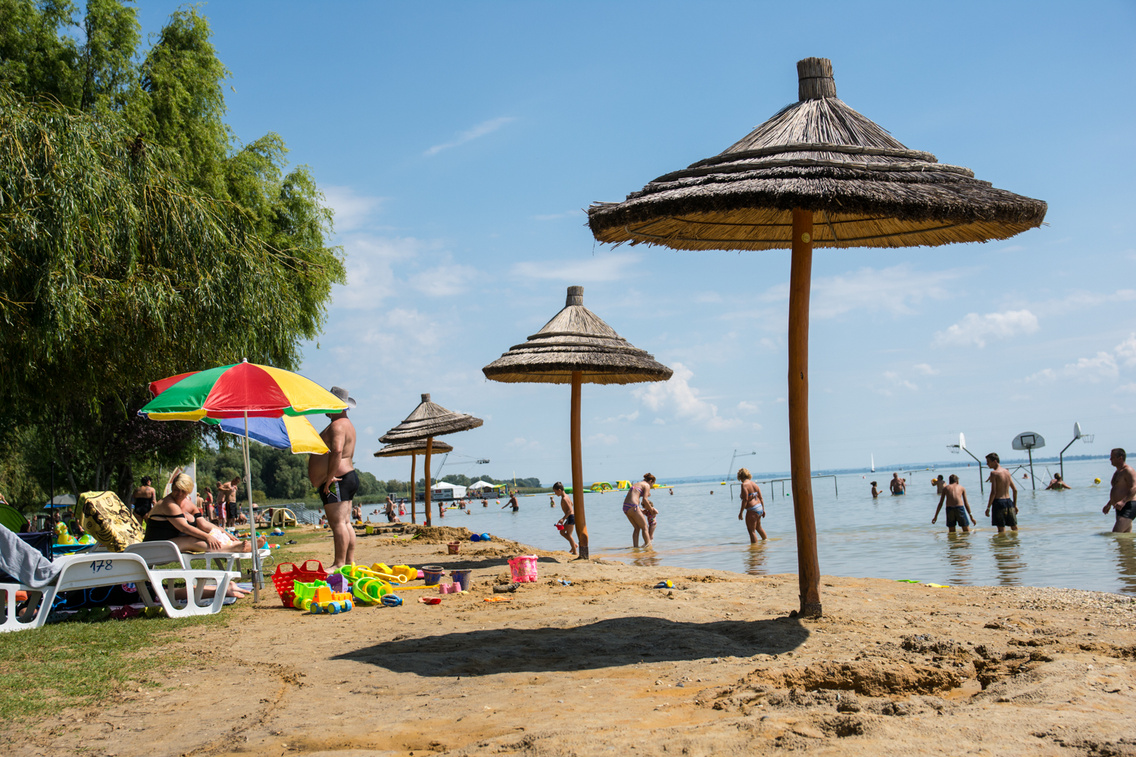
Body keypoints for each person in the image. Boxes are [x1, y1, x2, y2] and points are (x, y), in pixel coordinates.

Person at [143, 474, 262, 553]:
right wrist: (207, 537)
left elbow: (203, 524)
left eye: (183, 491)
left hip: (169, 544)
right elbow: (185, 528)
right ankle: (231, 548)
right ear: (172, 487)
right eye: (176, 490)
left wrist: (223, 532)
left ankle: (239, 544)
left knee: (207, 534)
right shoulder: (168, 504)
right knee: (190, 539)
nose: (179, 494)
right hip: (154, 548)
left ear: (188, 491)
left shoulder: (187, 503)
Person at [308, 386, 358, 570]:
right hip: (347, 476)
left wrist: (329, 478)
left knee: (338, 524)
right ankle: (349, 562)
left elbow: (337, 451)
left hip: (338, 478)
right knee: (345, 523)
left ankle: (339, 563)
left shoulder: (337, 425)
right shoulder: (347, 425)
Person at [1103, 448, 1136, 533]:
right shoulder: (1117, 472)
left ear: (1120, 458)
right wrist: (1109, 504)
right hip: (1119, 507)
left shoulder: (1128, 470)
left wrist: (1123, 501)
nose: (1110, 459)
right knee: (1125, 539)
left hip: (1129, 505)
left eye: (1112, 457)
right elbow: (1118, 491)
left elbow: (1134, 487)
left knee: (1116, 534)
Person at [984, 452, 1019, 533]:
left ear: (995, 461)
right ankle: (1015, 544)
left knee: (1001, 529)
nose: (987, 464)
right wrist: (1015, 505)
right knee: (1014, 527)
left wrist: (988, 507)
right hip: (1009, 502)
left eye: (988, 462)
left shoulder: (994, 473)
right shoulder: (1007, 472)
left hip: (999, 502)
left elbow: (993, 492)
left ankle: (1002, 545)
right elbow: (1015, 490)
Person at [622, 473, 656, 547]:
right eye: (652, 484)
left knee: (637, 528)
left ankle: (636, 548)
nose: (652, 486)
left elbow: (634, 497)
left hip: (626, 507)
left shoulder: (637, 484)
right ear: (650, 481)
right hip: (633, 506)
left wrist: (640, 509)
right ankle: (649, 548)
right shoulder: (646, 485)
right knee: (645, 527)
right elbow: (645, 500)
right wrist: (651, 511)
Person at [737, 467, 767, 543]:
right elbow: (761, 498)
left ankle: (754, 551)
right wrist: (763, 509)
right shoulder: (754, 484)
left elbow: (745, 499)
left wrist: (741, 512)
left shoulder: (744, 485)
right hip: (759, 507)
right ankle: (766, 543)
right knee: (759, 528)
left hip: (752, 509)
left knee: (751, 531)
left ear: (740, 476)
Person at [552, 482, 578, 555]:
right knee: (562, 532)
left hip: (571, 517)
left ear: (559, 490)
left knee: (569, 535)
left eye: (555, 492)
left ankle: (575, 552)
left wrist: (563, 519)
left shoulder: (564, 498)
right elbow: (571, 504)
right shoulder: (567, 496)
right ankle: (574, 544)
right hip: (570, 517)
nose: (555, 493)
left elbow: (570, 510)